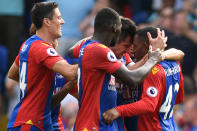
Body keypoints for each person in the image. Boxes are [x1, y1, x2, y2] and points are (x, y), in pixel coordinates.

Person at [68, 7, 167, 130]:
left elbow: (71, 52)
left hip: (105, 122)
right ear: (114, 28)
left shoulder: (88, 46)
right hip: (95, 124)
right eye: (126, 45)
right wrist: (153, 58)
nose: (128, 50)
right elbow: (132, 78)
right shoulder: (100, 50)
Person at [7, 2, 78, 131]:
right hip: (30, 123)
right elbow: (72, 73)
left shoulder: (29, 44)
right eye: (58, 18)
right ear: (47, 22)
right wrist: (90, 53)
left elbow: (12, 73)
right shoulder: (39, 47)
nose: (62, 21)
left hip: (46, 122)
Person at [102, 26, 184, 131]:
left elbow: (149, 104)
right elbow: (179, 98)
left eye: (135, 46)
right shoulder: (175, 64)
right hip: (169, 127)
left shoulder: (151, 70)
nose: (132, 50)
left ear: (146, 47)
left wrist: (118, 110)